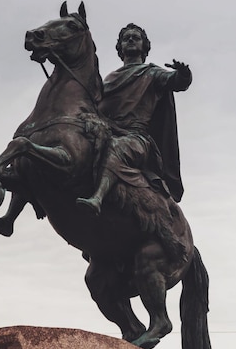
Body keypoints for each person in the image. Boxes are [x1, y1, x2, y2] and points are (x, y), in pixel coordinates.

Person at [76, 23, 192, 216]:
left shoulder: (152, 73)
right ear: (120, 47)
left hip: (136, 138)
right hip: (109, 132)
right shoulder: (108, 79)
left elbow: (177, 82)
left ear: (144, 46)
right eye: (126, 38)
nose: (130, 40)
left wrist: (184, 74)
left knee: (116, 149)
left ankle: (97, 198)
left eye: (135, 37)